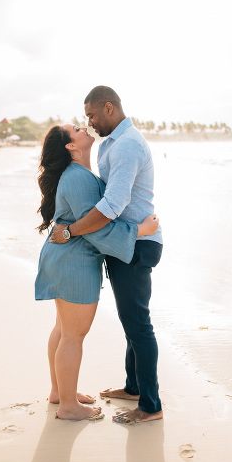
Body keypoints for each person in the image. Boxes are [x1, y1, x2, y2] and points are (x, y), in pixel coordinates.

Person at [50, 85, 164, 425]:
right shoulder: (111, 143)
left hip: (136, 244)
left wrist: (70, 231)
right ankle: (133, 387)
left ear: (109, 108)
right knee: (131, 321)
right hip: (122, 242)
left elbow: (112, 205)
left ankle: (151, 406)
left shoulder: (126, 145)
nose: (89, 122)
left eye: (91, 115)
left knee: (138, 325)